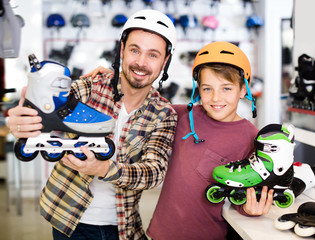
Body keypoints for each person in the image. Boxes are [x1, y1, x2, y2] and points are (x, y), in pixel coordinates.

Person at [7, 9, 178, 240]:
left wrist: (104, 169)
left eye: (153, 55)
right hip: (68, 218)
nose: (140, 62)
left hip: (123, 228)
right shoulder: (92, 86)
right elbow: (49, 112)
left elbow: (154, 172)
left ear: (165, 61)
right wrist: (25, 123)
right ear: (122, 50)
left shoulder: (163, 113)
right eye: (134, 50)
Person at [86, 41, 274, 240]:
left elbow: (241, 195)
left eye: (226, 89)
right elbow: (145, 101)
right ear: (198, 89)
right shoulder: (184, 116)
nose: (216, 98)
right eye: (207, 89)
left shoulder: (252, 139)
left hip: (209, 235)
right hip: (161, 233)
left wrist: (249, 208)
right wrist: (114, 79)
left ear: (244, 89)